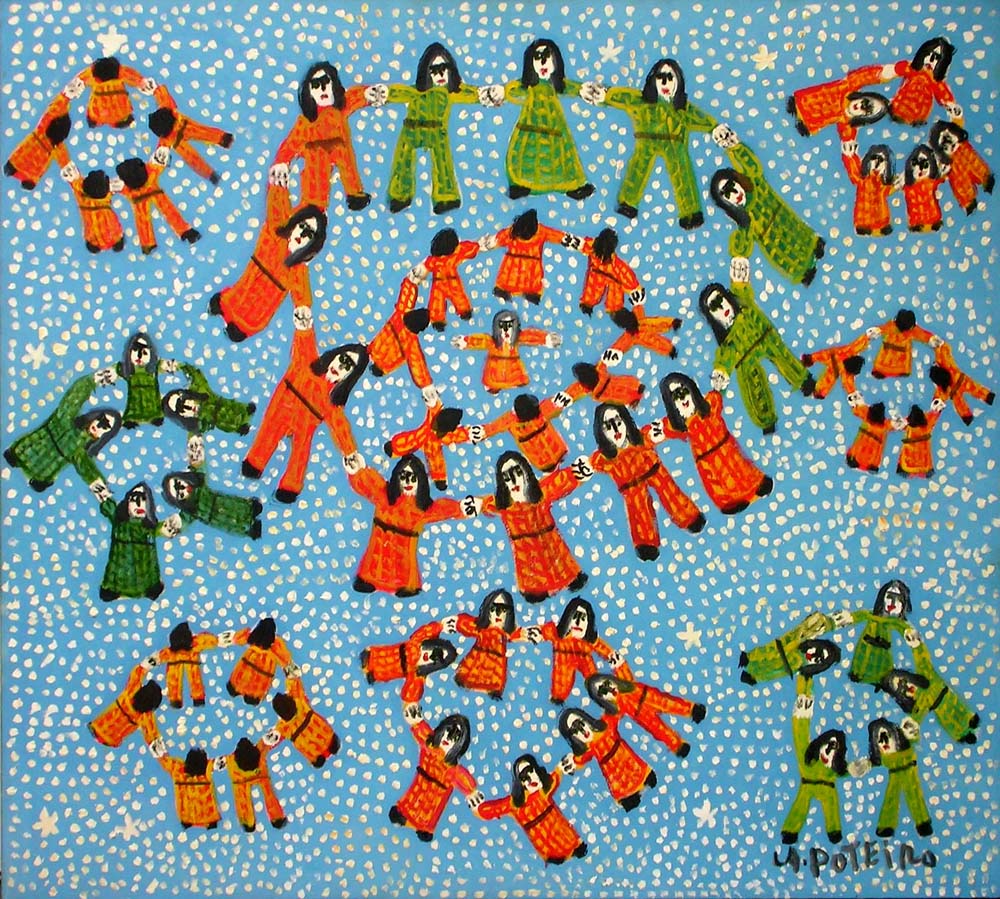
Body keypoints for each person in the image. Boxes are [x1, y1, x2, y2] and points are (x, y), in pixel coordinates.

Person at [242, 307, 366, 503]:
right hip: (283, 405)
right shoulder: (307, 361)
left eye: (348, 367)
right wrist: (304, 326)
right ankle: (253, 464)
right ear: (335, 355)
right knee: (268, 434)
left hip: (306, 423)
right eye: (343, 359)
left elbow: (339, 425)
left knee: (300, 453)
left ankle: (290, 488)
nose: (341, 366)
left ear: (349, 377)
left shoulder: (333, 400)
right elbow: (305, 341)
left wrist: (350, 451)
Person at [589, 58, 716, 224]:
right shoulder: (643, 101)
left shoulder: (681, 108)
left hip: (674, 143)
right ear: (653, 80)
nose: (665, 82)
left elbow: (699, 117)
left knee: (682, 171)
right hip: (646, 140)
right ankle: (627, 203)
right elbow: (626, 97)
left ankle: (691, 213)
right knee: (638, 168)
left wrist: (714, 127)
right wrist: (607, 95)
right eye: (660, 77)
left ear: (678, 81)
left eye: (670, 77)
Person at [710, 125, 825, 286]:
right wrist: (739, 258)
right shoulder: (745, 220)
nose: (734, 194)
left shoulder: (757, 185)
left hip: (788, 224)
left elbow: (752, 166)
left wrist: (733, 147)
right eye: (726, 195)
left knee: (810, 245)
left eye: (732, 186)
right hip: (779, 248)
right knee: (800, 267)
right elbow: (743, 245)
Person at [208, 185, 326, 341]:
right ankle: (222, 307)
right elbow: (277, 209)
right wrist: (279, 187)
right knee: (230, 300)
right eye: (302, 226)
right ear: (294, 223)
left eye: (309, 234)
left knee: (243, 325)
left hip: (259, 310)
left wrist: (303, 307)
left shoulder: (298, 267)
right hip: (244, 289)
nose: (302, 234)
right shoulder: (273, 236)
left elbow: (301, 292)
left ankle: (237, 328)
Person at [589, 402, 703, 560]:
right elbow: (591, 464)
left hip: (656, 475)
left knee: (669, 490)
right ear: (601, 433)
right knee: (637, 505)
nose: (616, 429)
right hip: (632, 489)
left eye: (618, 421)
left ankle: (690, 517)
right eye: (608, 426)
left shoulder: (643, 438)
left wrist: (676, 425)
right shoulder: (605, 459)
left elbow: (665, 428)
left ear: (625, 421)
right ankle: (645, 543)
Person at [385, 44, 492, 213]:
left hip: (437, 131)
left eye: (444, 68)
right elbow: (401, 92)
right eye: (434, 70)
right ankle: (399, 196)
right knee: (403, 160)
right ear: (426, 72)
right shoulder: (418, 91)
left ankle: (446, 197)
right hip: (412, 129)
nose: (440, 74)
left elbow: (469, 92)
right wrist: (384, 93)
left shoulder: (450, 92)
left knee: (443, 161)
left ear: (451, 69)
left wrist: (484, 94)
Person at [699, 280, 814, 434]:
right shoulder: (728, 342)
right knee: (751, 382)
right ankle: (766, 421)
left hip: (765, 336)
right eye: (714, 307)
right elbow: (725, 359)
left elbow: (741, 288)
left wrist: (739, 277)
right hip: (745, 357)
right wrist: (721, 371)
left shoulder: (745, 305)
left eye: (720, 299)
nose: (721, 307)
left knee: (782, 355)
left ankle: (804, 381)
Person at [347, 453, 470, 596]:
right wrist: (358, 471)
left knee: (403, 575)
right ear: (397, 478)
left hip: (403, 566)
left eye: (413, 478)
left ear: (420, 481)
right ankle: (368, 581)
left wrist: (461, 508)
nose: (408, 482)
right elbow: (368, 484)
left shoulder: (421, 509)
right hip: (376, 556)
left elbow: (442, 509)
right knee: (373, 567)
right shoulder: (384, 495)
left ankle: (406, 587)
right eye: (404, 476)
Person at [649, 373, 772, 514]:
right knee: (717, 483)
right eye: (676, 396)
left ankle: (757, 486)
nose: (682, 398)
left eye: (684, 391)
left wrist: (720, 385)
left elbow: (717, 394)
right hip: (707, 461)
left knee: (741, 471)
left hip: (726, 449)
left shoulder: (709, 405)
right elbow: (664, 429)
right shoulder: (680, 425)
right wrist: (657, 432)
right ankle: (731, 503)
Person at [476, 451, 590, 603]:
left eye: (517, 472)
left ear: (526, 472)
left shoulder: (540, 493)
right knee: (535, 589)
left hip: (552, 549)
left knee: (566, 574)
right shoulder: (503, 505)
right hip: (528, 560)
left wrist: (575, 473)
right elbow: (483, 504)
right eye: (507, 477)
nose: (513, 480)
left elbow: (557, 482)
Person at [269, 61, 384, 210]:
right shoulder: (305, 122)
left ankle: (354, 193)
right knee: (317, 156)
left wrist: (368, 93)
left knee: (343, 151)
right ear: (309, 92)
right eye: (316, 85)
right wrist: (282, 161)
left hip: (340, 149)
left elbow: (353, 96)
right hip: (316, 156)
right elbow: (291, 142)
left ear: (333, 85)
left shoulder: (339, 108)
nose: (322, 88)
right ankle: (314, 206)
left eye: (325, 82)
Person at [502, 39, 594, 199]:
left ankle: (571, 185)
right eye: (537, 57)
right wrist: (502, 91)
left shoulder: (555, 85)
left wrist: (581, 90)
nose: (543, 62)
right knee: (526, 157)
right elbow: (513, 90)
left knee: (560, 156)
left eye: (547, 56)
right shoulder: (528, 87)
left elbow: (570, 87)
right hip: (530, 130)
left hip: (555, 131)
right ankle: (521, 184)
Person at [4, 370, 120, 493]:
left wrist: (99, 485)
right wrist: (93, 379)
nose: (98, 425)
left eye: (105, 427)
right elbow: (74, 397)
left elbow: (86, 469)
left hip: (39, 478)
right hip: (20, 455)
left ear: (105, 436)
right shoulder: (66, 419)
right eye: (100, 419)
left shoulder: (79, 451)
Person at [476, 754, 586, 864]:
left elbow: (559, 771)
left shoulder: (544, 791)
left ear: (537, 770)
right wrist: (478, 805)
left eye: (530, 771)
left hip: (574, 846)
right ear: (520, 783)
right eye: (523, 777)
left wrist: (564, 765)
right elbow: (490, 810)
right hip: (553, 858)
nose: (529, 779)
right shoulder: (515, 804)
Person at [390, 708, 480, 842]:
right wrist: (415, 718)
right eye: (448, 732)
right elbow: (420, 729)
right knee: (398, 815)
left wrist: (473, 793)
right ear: (442, 729)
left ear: (460, 746)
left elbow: (465, 781)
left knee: (423, 829)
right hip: (412, 800)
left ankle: (423, 830)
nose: (448, 739)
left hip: (429, 812)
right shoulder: (429, 746)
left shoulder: (453, 770)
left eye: (455, 738)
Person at [527, 596, 631, 704]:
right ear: (567, 618)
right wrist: (531, 634)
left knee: (597, 684)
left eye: (583, 618)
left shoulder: (592, 642)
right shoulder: (556, 634)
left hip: (586, 663)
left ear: (589, 623)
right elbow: (528, 633)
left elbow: (615, 659)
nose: (578, 622)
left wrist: (624, 675)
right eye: (575, 617)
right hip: (562, 671)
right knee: (559, 693)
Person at [559, 708, 655, 811]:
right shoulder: (588, 747)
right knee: (632, 804)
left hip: (633, 765)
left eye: (580, 723)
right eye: (574, 730)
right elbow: (580, 760)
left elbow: (616, 710)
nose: (581, 731)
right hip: (617, 780)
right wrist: (571, 762)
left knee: (651, 784)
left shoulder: (607, 724)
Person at [98, 483, 182, 602]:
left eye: (143, 499)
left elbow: (162, 528)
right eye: (134, 499)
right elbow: (108, 505)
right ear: (127, 503)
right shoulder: (119, 524)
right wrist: (103, 494)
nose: (139, 503)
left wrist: (173, 523)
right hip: (116, 588)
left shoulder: (150, 529)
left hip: (148, 589)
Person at [587, 673, 705, 757]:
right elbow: (610, 721)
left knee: (670, 703)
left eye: (607, 684)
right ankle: (678, 746)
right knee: (659, 730)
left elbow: (624, 671)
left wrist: (618, 662)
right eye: (603, 692)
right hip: (642, 715)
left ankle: (693, 710)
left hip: (649, 696)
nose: (609, 689)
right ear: (602, 700)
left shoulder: (625, 682)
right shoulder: (616, 708)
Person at [452, 309, 560, 394]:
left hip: (513, 370)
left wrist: (546, 338)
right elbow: (479, 341)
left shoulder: (517, 339)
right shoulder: (492, 342)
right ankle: (494, 386)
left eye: (509, 326)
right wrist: (465, 341)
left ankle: (514, 384)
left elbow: (530, 336)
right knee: (493, 381)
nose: (506, 330)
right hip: (495, 371)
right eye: (502, 326)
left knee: (517, 379)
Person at [445, 589, 527, 699]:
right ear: (487, 610)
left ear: (509, 613)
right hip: (472, 671)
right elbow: (467, 624)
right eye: (493, 608)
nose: (498, 613)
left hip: (494, 676)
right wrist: (455, 621)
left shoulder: (506, 634)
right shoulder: (482, 629)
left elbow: (520, 633)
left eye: (503, 609)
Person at [115, 149, 200, 253]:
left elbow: (112, 187)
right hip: (151, 195)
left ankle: (149, 244)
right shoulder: (151, 170)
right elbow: (159, 160)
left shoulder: (126, 183)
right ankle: (184, 232)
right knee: (164, 212)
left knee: (145, 219)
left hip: (143, 198)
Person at [148, 83, 234, 184]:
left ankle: (212, 173)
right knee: (202, 133)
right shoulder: (166, 106)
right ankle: (225, 139)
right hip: (183, 125)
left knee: (192, 155)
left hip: (175, 136)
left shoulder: (164, 140)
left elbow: (191, 159)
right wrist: (156, 89)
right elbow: (162, 93)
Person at [360, 619, 457, 703]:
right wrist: (441, 626)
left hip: (378, 673)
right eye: (435, 652)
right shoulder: (418, 641)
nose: (431, 656)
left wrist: (412, 704)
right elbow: (427, 630)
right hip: (373, 654)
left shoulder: (418, 673)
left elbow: (411, 693)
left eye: (436, 659)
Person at [888, 37, 960, 127]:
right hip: (895, 112)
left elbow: (947, 99)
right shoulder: (910, 68)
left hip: (916, 122)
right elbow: (886, 72)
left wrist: (954, 109)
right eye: (928, 54)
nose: (931, 59)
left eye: (937, 57)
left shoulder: (936, 82)